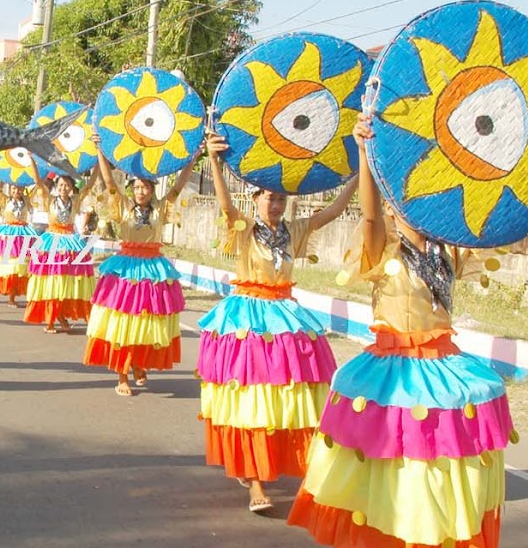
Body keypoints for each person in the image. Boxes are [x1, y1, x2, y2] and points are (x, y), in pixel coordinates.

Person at [288, 117, 512, 545]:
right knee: (401, 474)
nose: (417, 207)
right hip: (396, 374)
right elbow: (369, 215)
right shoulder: (381, 245)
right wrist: (366, 154)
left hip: (445, 369)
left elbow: (487, 216)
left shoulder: (449, 249)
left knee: (441, 471)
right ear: (394, 205)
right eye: (404, 200)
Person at [199, 131, 356, 513]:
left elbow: (332, 212)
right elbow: (223, 204)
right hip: (247, 322)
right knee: (253, 402)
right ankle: (255, 483)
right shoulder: (244, 229)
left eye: (281, 198)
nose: (275, 203)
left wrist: (360, 172)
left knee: (291, 400)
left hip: (286, 321)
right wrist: (216, 163)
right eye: (269, 196)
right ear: (254, 199)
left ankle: (284, 466)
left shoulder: (295, 231)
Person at [83, 138, 197, 396]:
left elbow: (179, 185)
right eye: (136, 187)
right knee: (124, 323)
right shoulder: (122, 207)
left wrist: (193, 157)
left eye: (145, 187)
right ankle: (122, 373)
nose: (140, 191)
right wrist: (102, 151)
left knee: (148, 323)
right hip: (125, 270)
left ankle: (139, 362)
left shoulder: (162, 208)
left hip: (154, 271)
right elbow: (110, 183)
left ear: (152, 189)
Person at [23, 169, 97, 334]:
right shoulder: (49, 200)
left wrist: (98, 164)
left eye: (67, 185)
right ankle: (51, 319)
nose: (64, 188)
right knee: (51, 283)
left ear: (71, 187)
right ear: (56, 186)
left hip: (71, 244)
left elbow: (90, 185)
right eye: (61, 185)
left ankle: (61, 315)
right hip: (52, 244)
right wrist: (32, 161)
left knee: (66, 283)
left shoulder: (75, 202)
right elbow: (38, 183)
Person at [0, 177, 39, 307]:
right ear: (10, 189)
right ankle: (9, 293)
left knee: (20, 267)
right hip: (7, 237)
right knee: (9, 266)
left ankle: (13, 295)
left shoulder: (27, 200)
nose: (17, 191)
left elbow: (39, 185)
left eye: (19, 188)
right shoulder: (5, 200)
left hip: (23, 236)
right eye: (14, 188)